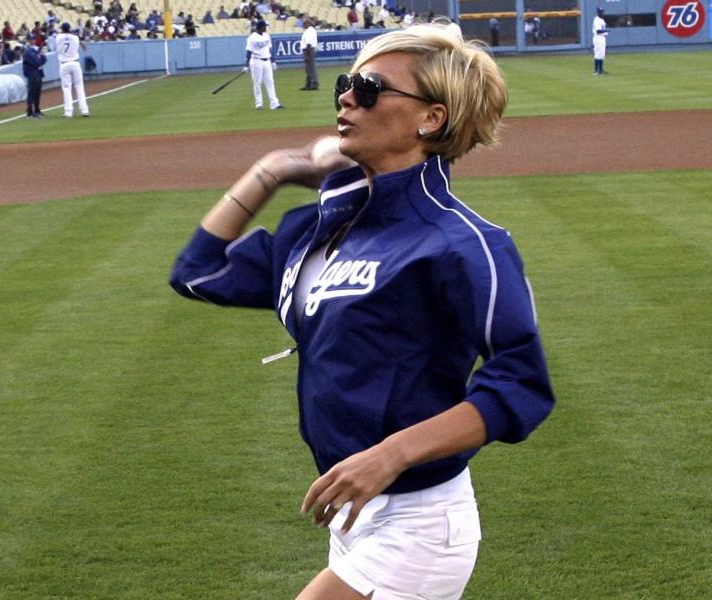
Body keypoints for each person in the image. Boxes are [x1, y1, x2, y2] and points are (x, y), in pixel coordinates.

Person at [169, 23, 555, 600]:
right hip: (353, 519)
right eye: (347, 84)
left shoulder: (463, 242)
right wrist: (273, 170)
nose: (347, 96)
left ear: (432, 118)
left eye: (370, 88)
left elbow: (522, 386)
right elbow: (197, 274)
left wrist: (389, 455)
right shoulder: (317, 229)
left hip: (418, 524)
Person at [243, 19, 283, 110]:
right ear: (260, 27)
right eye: (265, 26)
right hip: (256, 61)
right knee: (257, 83)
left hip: (267, 61)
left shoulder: (267, 36)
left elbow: (269, 49)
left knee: (270, 82)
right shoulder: (252, 38)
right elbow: (248, 51)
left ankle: (274, 104)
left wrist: (273, 61)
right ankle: (259, 104)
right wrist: (246, 65)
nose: (266, 28)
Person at [55, 22, 90, 117]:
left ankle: (68, 112)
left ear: (62, 29)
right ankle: (84, 110)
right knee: (79, 87)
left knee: (66, 88)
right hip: (75, 62)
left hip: (64, 64)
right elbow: (82, 43)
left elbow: (62, 35)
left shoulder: (58, 37)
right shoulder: (75, 37)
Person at [23, 34, 46, 118]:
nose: (33, 41)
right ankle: (30, 111)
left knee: (37, 93)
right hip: (32, 73)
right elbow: (36, 62)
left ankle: (37, 110)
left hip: (38, 73)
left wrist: (40, 58)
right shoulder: (28, 51)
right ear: (28, 41)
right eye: (31, 39)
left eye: (33, 39)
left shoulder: (36, 49)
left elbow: (44, 59)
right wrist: (40, 58)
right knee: (32, 93)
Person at [300, 17, 318, 90]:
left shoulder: (310, 31)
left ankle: (313, 84)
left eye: (304, 23)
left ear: (308, 23)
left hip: (309, 50)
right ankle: (309, 83)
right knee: (308, 68)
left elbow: (308, 43)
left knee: (311, 67)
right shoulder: (308, 30)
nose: (303, 25)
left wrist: (307, 54)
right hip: (308, 49)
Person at [592, 7, 608, 74]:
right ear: (598, 13)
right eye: (601, 12)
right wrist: (606, 30)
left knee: (601, 54)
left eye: (602, 12)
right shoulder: (597, 20)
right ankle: (596, 70)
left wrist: (605, 30)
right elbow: (598, 31)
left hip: (602, 38)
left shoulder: (601, 20)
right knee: (598, 54)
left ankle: (600, 69)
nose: (602, 13)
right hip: (598, 38)